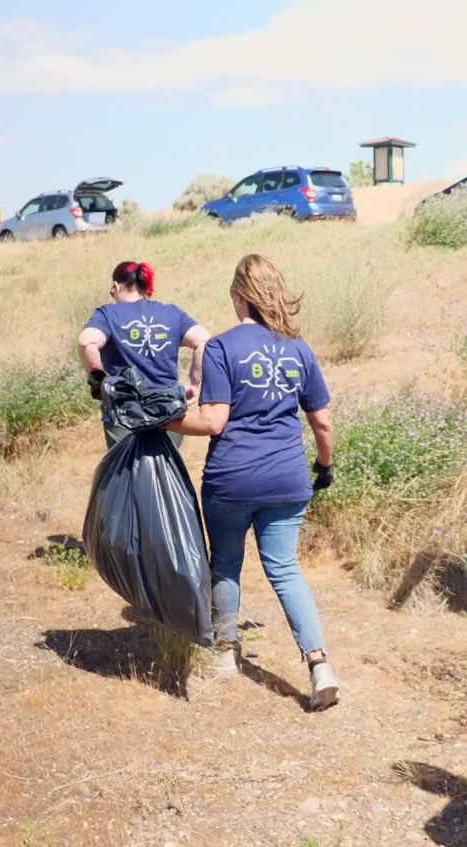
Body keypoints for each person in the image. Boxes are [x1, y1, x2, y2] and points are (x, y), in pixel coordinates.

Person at [169, 254, 339, 710]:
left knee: (225, 562)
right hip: (287, 478)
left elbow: (213, 421)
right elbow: (322, 422)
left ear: (240, 296)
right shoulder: (299, 349)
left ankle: (225, 654)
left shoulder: (221, 347)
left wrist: (164, 422)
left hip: (232, 480)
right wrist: (324, 468)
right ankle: (319, 664)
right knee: (284, 568)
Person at [79, 260, 211, 447]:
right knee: (167, 472)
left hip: (124, 412)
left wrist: (98, 381)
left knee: (126, 473)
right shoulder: (171, 313)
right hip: (168, 409)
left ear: (116, 287)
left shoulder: (108, 314)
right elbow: (203, 340)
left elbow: (86, 341)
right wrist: (195, 383)